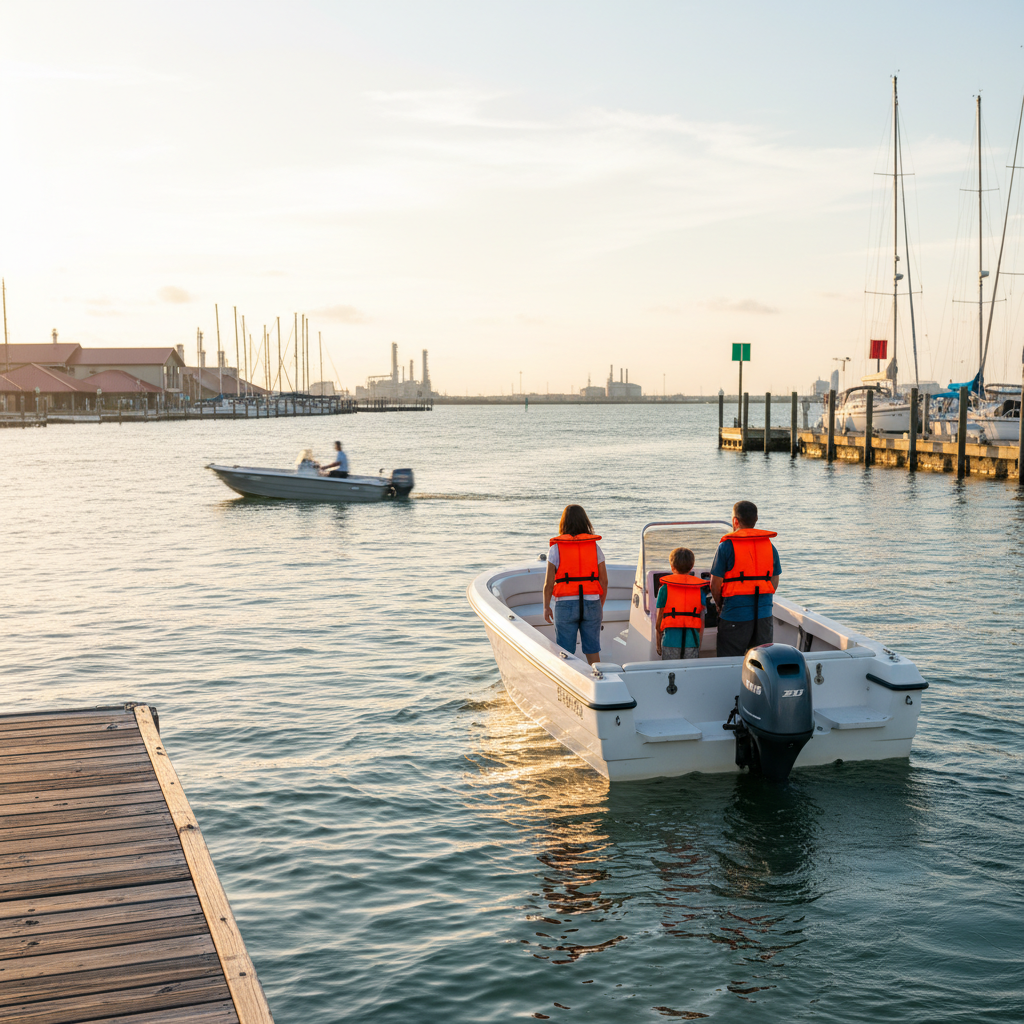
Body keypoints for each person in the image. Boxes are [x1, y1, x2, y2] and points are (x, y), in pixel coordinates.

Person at [710, 500, 780, 657]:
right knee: (761, 661)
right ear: (756, 520)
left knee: (730, 661)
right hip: (764, 616)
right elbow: (774, 582)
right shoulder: (770, 546)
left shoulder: (726, 546)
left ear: (735, 521)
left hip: (734, 615)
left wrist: (720, 605)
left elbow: (715, 584)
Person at [543, 504, 607, 665]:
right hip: (592, 604)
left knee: (565, 654)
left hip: (565, 605)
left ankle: (567, 680)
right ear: (585, 522)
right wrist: (600, 605)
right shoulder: (595, 548)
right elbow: (604, 581)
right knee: (593, 651)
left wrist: (546, 607)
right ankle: (598, 678)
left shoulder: (555, 549)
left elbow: (548, 584)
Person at [655, 547, 707, 660]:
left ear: (672, 566)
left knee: (671, 670)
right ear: (691, 566)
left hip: (670, 642)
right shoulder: (699, 590)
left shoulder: (664, 589)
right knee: (689, 670)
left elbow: (659, 619)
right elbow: (702, 621)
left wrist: (658, 644)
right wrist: (699, 645)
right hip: (692, 642)